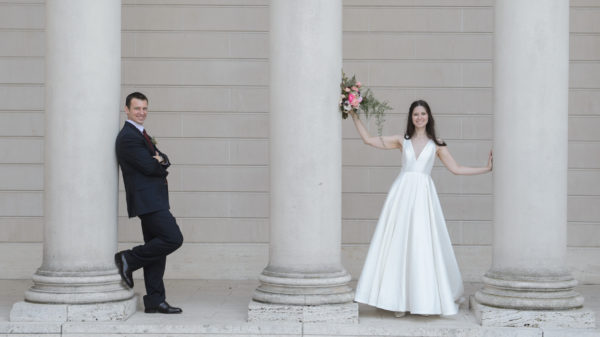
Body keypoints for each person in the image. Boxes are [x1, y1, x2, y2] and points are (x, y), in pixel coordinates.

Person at [351, 99, 492, 317]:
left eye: (423, 114)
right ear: (411, 117)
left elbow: (456, 168)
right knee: (398, 243)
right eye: (416, 114)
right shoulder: (401, 140)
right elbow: (369, 140)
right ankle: (398, 301)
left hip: (423, 197)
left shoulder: (437, 143)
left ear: (429, 117)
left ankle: (421, 299)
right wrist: (353, 113)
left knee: (422, 244)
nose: (419, 117)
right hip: (401, 195)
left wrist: (486, 168)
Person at [115, 92, 184, 314]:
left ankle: (155, 300)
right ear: (126, 109)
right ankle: (128, 258)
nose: (141, 112)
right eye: (137, 108)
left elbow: (163, 158)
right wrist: (158, 161)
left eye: (144, 108)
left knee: (157, 249)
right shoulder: (128, 137)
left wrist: (160, 159)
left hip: (154, 199)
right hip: (148, 201)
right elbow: (149, 166)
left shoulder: (141, 134)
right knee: (173, 238)